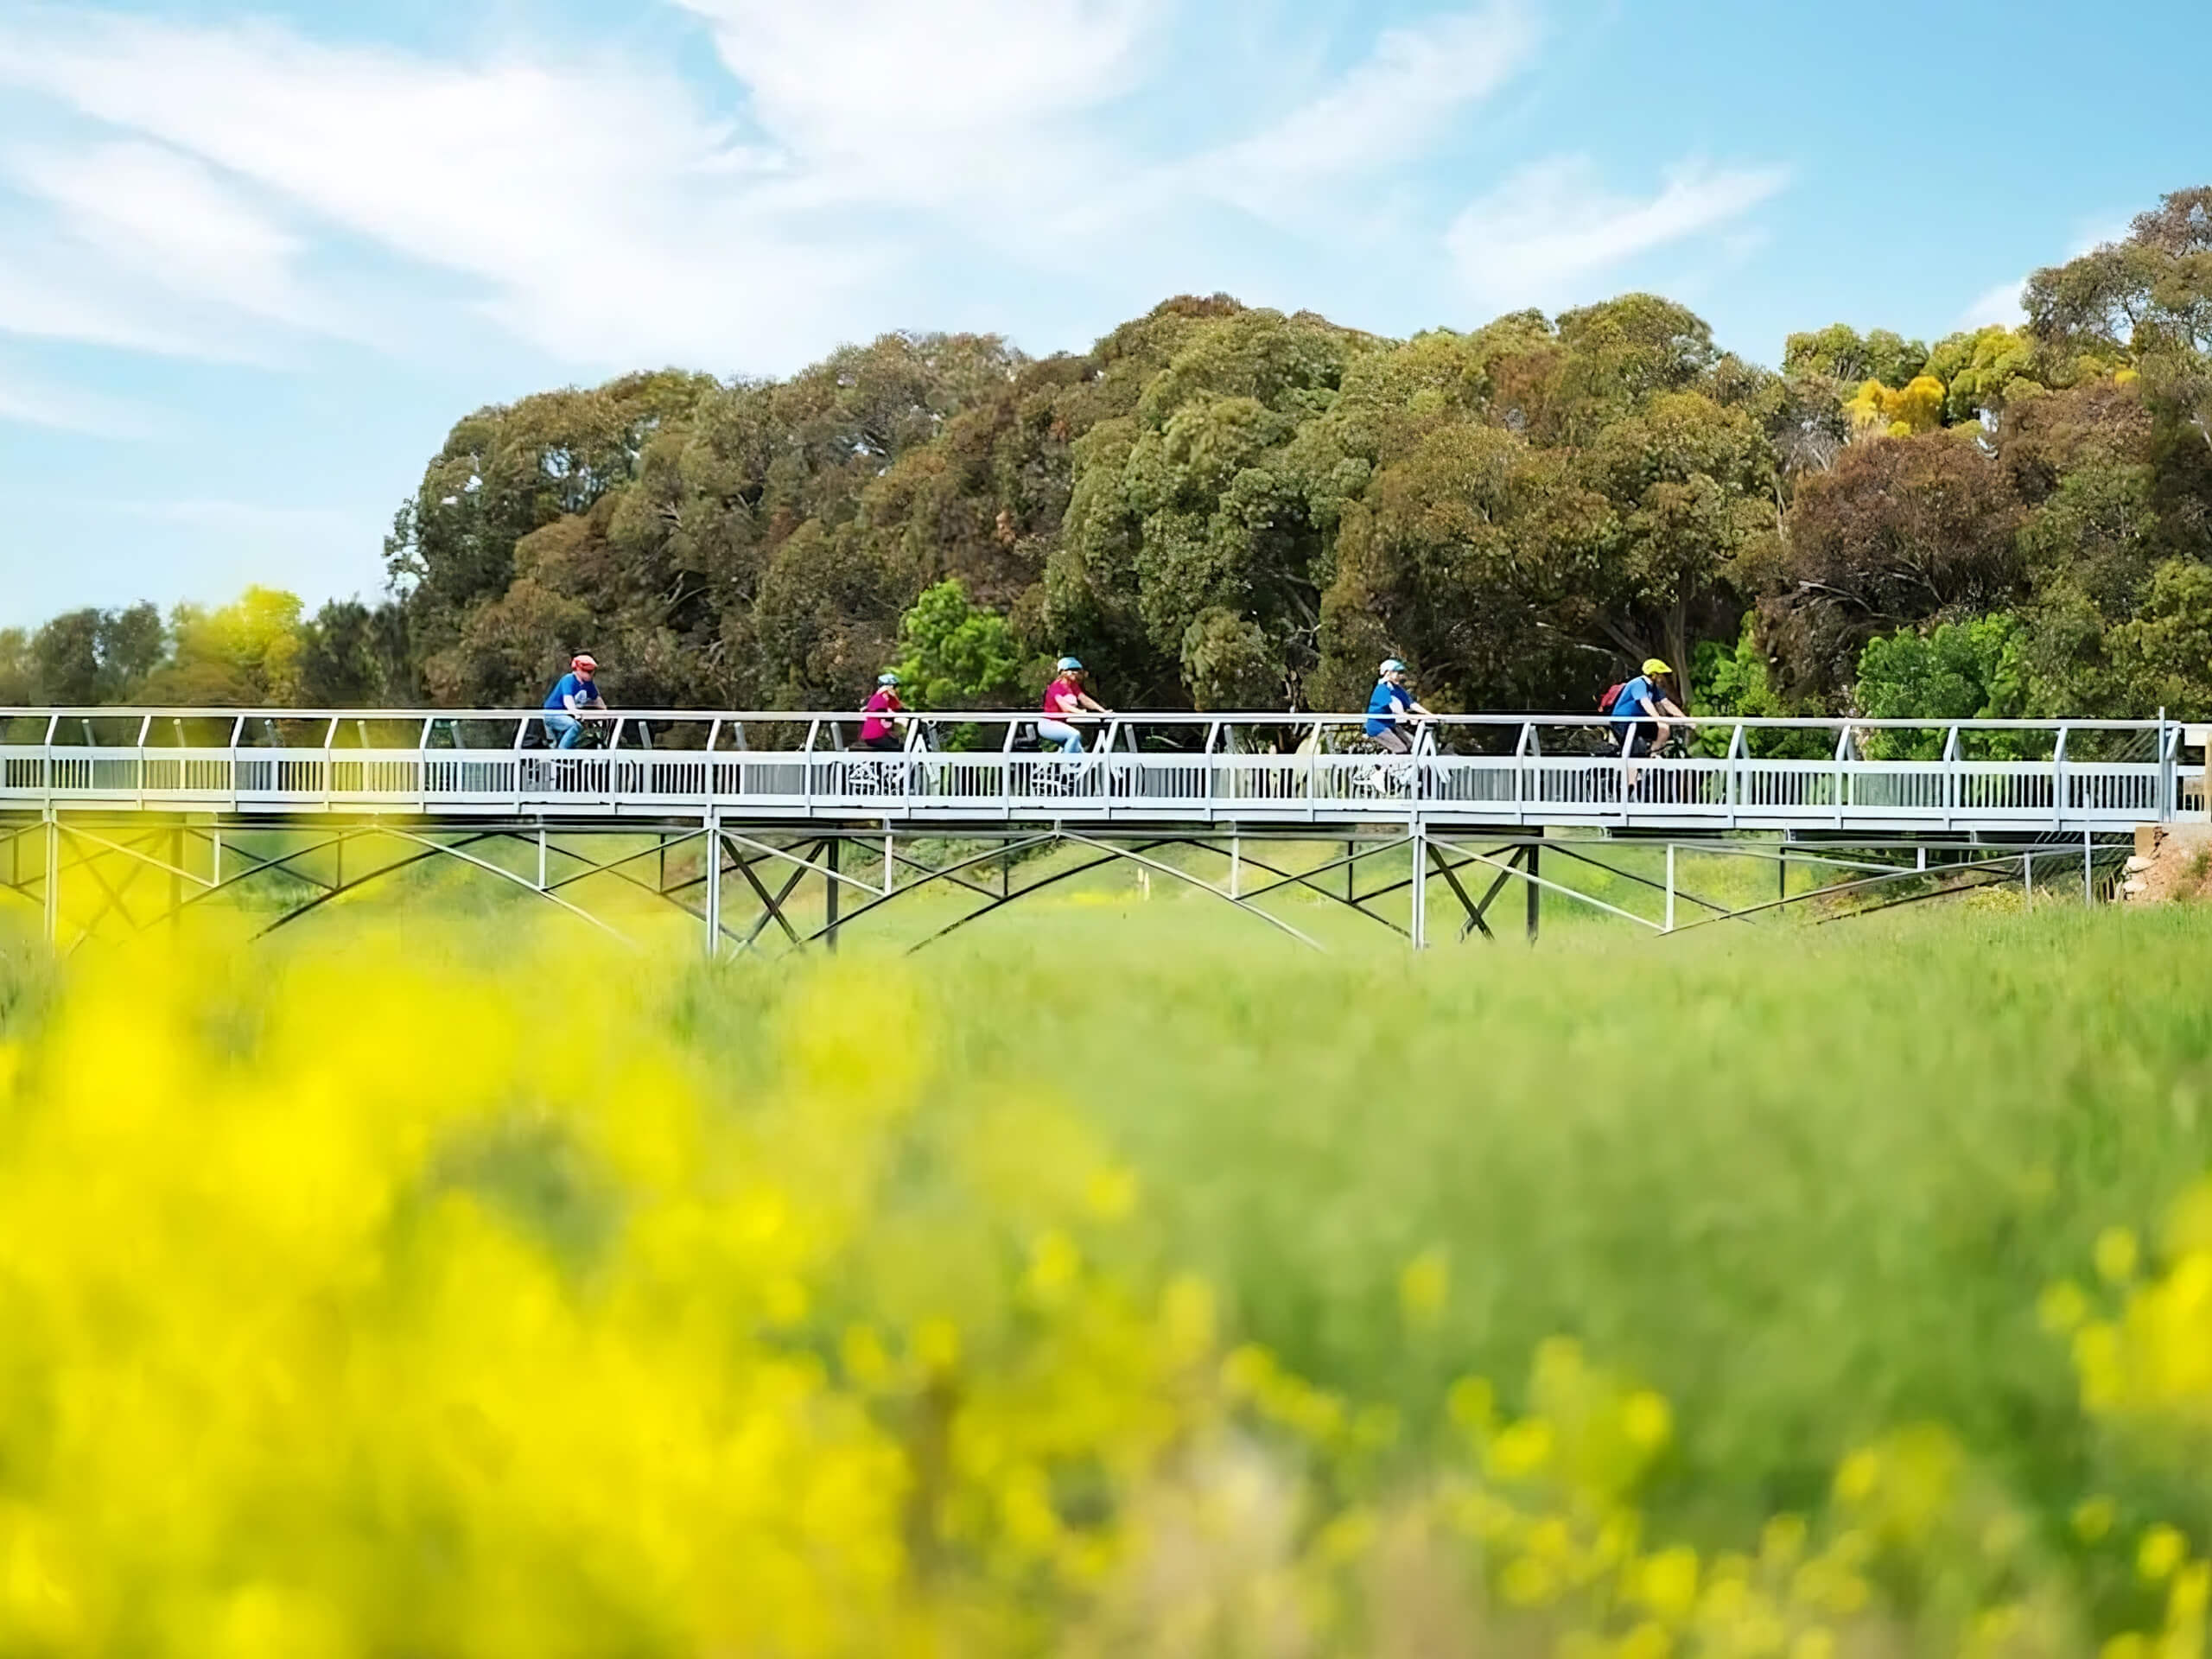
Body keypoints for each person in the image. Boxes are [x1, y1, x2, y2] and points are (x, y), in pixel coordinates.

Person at [1609, 658, 1688, 759]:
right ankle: (1633, 771)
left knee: (1664, 729)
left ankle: (1653, 754)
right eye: (1662, 674)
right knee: (1636, 751)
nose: (1664, 678)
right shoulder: (1639, 683)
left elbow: (1667, 704)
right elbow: (1645, 702)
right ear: (1654, 675)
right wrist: (1658, 719)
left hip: (1637, 721)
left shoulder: (1653, 687)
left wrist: (1686, 720)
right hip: (1622, 722)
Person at [1038, 657, 1109, 753]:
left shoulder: (1073, 685)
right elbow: (1065, 707)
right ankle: (1067, 765)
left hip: (1060, 724)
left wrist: (1103, 710)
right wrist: (1081, 712)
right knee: (1074, 735)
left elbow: (1084, 699)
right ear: (1065, 672)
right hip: (1048, 725)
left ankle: (1068, 766)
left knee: (1079, 752)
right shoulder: (1056, 686)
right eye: (1074, 670)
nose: (1077, 673)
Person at [1364, 658, 1433, 754]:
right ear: (1388, 673)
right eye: (1397, 673)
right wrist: (1410, 717)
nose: (1400, 677)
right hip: (1377, 727)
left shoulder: (1397, 688)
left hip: (1390, 725)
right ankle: (1384, 767)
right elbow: (1394, 707)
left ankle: (1395, 763)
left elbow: (1412, 704)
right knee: (1401, 749)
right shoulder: (1381, 688)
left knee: (1413, 744)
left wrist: (1430, 714)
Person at [542, 653, 607, 750]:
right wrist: (577, 715)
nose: (590, 674)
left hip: (567, 716)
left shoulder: (589, 684)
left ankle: (565, 754)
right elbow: (568, 701)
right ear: (578, 669)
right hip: (553, 714)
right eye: (587, 671)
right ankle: (561, 754)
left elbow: (598, 700)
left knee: (580, 735)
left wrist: (606, 714)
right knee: (575, 726)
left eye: (591, 671)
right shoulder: (568, 680)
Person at [858, 671, 906, 753]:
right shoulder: (878, 699)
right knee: (898, 748)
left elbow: (898, 707)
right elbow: (885, 713)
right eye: (893, 686)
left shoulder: (885, 699)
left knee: (900, 744)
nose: (894, 689)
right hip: (875, 736)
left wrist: (893, 696)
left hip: (880, 735)